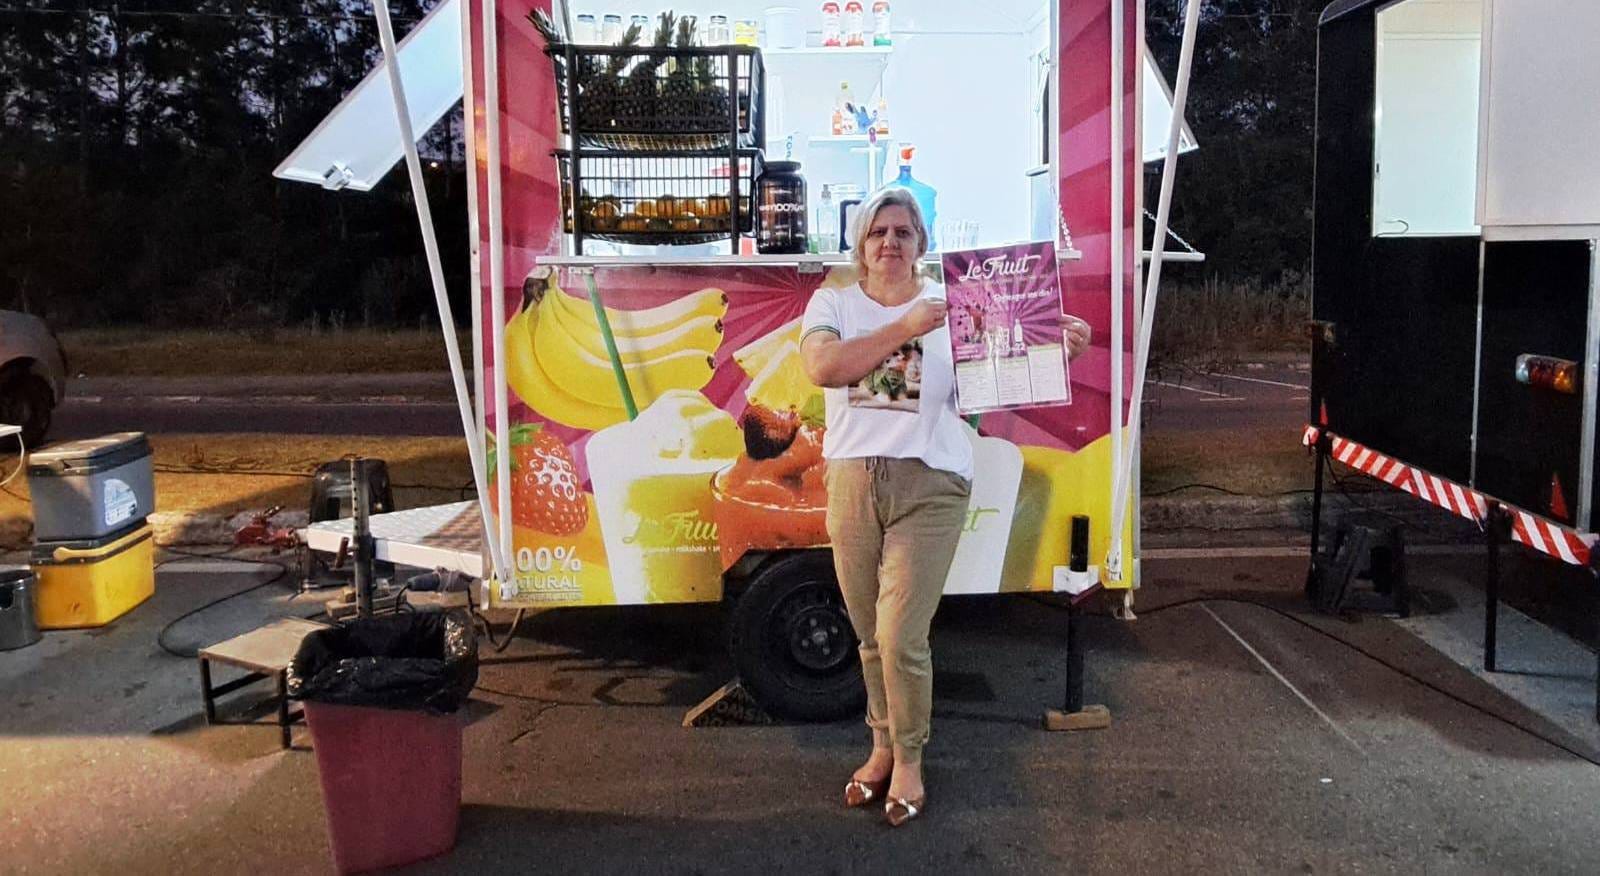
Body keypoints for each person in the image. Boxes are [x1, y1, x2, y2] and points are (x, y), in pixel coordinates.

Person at [799, 188, 1091, 826]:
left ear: (921, 244)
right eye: (878, 231)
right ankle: (880, 746)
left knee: (900, 635)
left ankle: (908, 760)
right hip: (852, 482)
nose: (890, 242)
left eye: (903, 231)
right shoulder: (834, 303)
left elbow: (996, 377)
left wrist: (1053, 353)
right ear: (860, 245)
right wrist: (905, 327)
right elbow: (824, 367)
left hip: (930, 483)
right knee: (868, 634)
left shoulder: (954, 303)